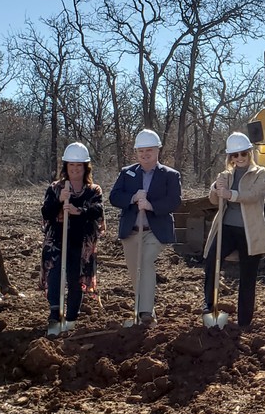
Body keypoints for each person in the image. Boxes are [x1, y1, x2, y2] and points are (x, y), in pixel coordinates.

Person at [203, 132, 265, 328]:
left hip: (249, 231)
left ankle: (244, 320)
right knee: (211, 260)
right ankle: (209, 304)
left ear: (250, 153)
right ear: (230, 157)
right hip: (226, 228)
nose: (240, 158)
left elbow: (254, 195)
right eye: (235, 155)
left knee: (247, 276)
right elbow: (213, 200)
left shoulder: (261, 173)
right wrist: (215, 189)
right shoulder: (225, 175)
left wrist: (231, 194)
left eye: (243, 153)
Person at [110, 129, 182, 326]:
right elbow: (114, 197)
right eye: (141, 151)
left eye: (149, 150)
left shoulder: (170, 175)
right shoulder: (127, 173)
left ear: (157, 150)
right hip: (131, 232)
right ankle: (146, 311)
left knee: (146, 263)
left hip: (155, 232)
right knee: (136, 272)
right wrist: (133, 198)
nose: (145, 155)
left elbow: (174, 201)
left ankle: (145, 313)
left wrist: (151, 206)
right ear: (136, 152)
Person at [40, 142, 104, 335]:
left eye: (79, 166)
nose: (75, 169)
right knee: (55, 275)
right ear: (65, 167)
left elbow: (97, 211)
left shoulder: (93, 190)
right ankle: (54, 316)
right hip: (57, 240)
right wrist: (59, 200)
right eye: (71, 165)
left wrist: (79, 211)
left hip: (81, 241)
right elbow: (46, 212)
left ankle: (71, 318)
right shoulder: (55, 188)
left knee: (76, 278)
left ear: (85, 168)